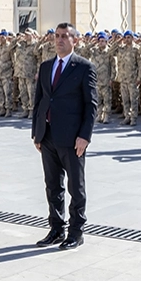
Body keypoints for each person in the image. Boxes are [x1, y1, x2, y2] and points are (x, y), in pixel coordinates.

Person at [32, 23, 98, 251]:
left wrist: (84, 136)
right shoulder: (46, 66)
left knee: (75, 187)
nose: (59, 40)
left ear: (75, 41)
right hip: (48, 135)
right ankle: (56, 228)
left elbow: (91, 105)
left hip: (72, 138)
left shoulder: (83, 67)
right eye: (57, 36)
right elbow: (39, 101)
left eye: (65, 36)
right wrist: (36, 133)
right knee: (52, 185)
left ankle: (76, 232)